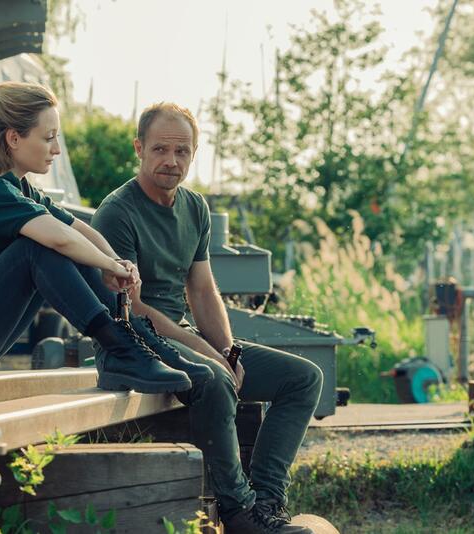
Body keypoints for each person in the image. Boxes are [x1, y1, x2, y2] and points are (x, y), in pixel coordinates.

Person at [91, 102, 324, 534]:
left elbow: (202, 289)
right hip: (128, 343)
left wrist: (228, 350)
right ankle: (237, 512)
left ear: (193, 154)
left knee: (303, 378)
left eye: (182, 152)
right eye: (160, 149)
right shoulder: (117, 212)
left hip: (177, 339)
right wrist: (207, 354)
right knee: (214, 378)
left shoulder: (194, 208)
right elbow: (132, 308)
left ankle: (266, 505)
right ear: (139, 148)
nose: (171, 161)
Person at [0, 82, 211, 394]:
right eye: (48, 138)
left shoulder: (19, 187)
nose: (57, 149)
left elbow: (77, 229)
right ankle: (120, 348)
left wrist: (115, 261)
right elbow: (59, 239)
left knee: (64, 246)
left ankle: (138, 345)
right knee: (37, 248)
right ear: (14, 138)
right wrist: (109, 266)